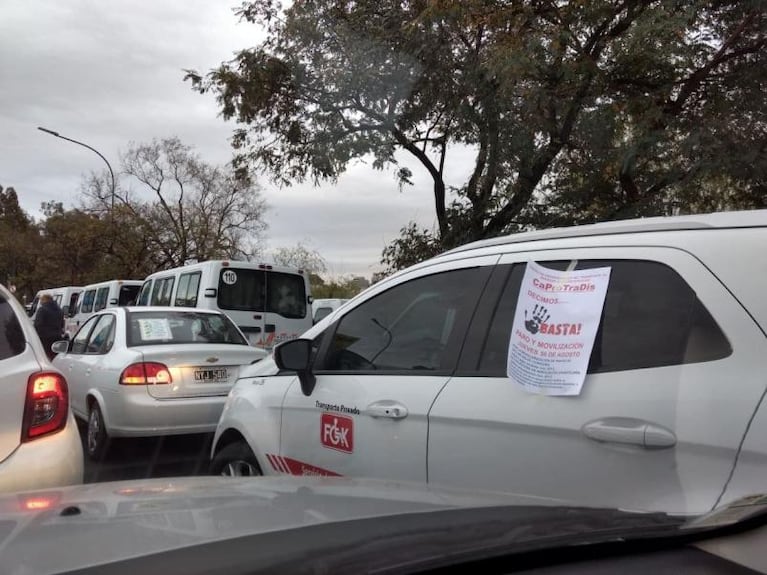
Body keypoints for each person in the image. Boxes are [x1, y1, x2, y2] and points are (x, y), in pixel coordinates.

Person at [33, 293, 64, 360]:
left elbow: (37, 325)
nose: (40, 302)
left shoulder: (42, 310)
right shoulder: (60, 310)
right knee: (56, 358)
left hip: (45, 340)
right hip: (57, 338)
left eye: (41, 300)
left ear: (44, 300)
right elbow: (62, 324)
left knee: (45, 358)